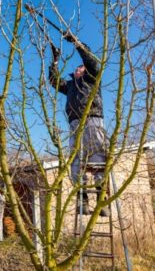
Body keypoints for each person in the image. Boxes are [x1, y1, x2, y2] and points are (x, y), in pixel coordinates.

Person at [49, 33, 109, 216]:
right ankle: (82, 200)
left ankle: (101, 201)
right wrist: (55, 61)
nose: (78, 69)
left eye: (81, 67)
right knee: (76, 161)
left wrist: (76, 42)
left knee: (98, 158)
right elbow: (54, 81)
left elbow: (92, 62)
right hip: (75, 123)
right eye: (76, 68)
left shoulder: (92, 79)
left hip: (93, 119)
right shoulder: (71, 86)